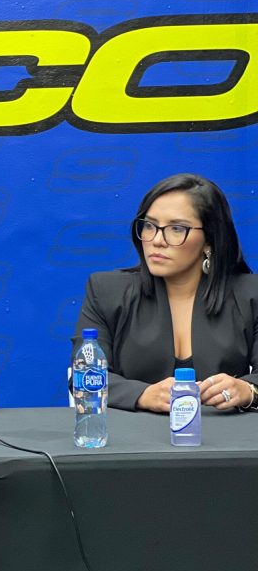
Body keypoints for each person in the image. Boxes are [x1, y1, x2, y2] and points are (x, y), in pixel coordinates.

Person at [74, 173, 258, 412]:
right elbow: (85, 376)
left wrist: (248, 390)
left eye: (176, 228)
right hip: (133, 432)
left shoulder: (250, 294)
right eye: (150, 225)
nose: (157, 240)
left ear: (209, 240)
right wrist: (142, 395)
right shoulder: (106, 290)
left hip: (223, 433)